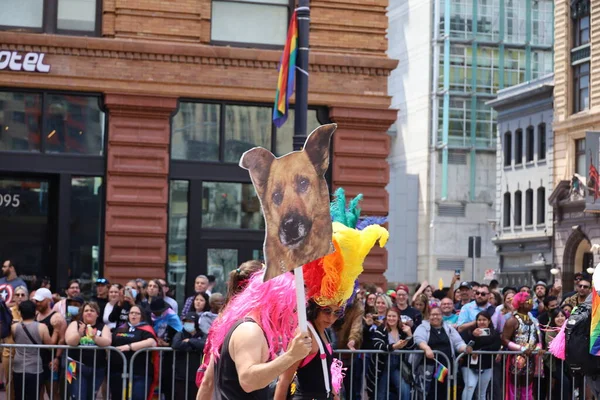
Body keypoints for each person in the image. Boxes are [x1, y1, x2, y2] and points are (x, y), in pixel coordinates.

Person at [197, 272, 312, 400]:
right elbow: (248, 381)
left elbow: (208, 382)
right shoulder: (250, 330)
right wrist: (292, 355)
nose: (293, 316)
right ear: (277, 302)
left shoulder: (249, 327)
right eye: (293, 308)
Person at [275, 300, 342, 400]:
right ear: (315, 308)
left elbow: (325, 374)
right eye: (327, 310)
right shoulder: (305, 333)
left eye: (337, 313)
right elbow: (284, 379)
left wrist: (335, 396)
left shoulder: (324, 330)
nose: (331, 317)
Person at [412, 306, 467, 400]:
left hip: (446, 367)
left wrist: (466, 348)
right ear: (429, 316)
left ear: (442, 316)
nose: (435, 317)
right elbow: (418, 339)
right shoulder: (423, 327)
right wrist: (426, 348)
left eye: (437, 314)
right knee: (430, 392)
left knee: (445, 392)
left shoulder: (448, 328)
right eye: (432, 314)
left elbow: (458, 342)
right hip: (430, 366)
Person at [64, 301, 112, 399]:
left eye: (92, 310)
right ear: (82, 313)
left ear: (97, 314)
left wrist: (94, 337)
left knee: (90, 396)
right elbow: (69, 341)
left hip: (97, 368)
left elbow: (107, 342)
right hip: (73, 365)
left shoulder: (102, 327)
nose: (89, 312)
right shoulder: (75, 324)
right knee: (76, 395)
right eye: (86, 311)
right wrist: (79, 334)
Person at [110, 305, 158, 400]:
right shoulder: (120, 328)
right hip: (118, 371)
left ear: (142, 316)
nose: (134, 315)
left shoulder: (146, 329)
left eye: (137, 313)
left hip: (139, 373)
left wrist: (129, 347)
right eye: (131, 313)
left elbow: (152, 342)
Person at [11, 300, 57, 400]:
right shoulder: (42, 327)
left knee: (19, 396)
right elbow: (50, 346)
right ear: (35, 311)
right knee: (33, 396)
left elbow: (15, 340)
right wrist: (56, 332)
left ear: (20, 312)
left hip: (18, 367)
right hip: (35, 368)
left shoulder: (14, 327)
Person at [501, 291, 543, 399]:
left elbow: (537, 338)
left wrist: (538, 348)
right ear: (521, 303)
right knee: (513, 386)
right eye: (529, 301)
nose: (532, 303)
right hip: (515, 358)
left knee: (528, 386)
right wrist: (521, 348)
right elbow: (504, 339)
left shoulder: (533, 320)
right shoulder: (512, 320)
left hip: (530, 358)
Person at [365, 306, 413, 400]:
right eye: (389, 316)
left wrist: (409, 334)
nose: (391, 318)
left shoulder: (401, 330)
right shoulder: (381, 328)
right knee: (381, 394)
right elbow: (377, 344)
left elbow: (410, 347)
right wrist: (394, 346)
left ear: (398, 318)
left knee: (405, 390)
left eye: (394, 316)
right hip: (383, 364)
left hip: (397, 365)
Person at [33, 287, 67, 399]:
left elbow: (62, 340)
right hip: (37, 360)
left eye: (40, 301)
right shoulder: (36, 315)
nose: (37, 303)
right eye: (36, 300)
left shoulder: (57, 317)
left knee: (52, 393)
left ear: (48, 300)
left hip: (50, 361)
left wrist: (57, 358)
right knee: (38, 393)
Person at [461, 311, 501, 400]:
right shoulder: (469, 332)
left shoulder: (494, 334)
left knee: (482, 392)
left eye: (484, 320)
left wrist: (480, 351)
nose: (481, 322)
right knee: (470, 386)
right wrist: (473, 336)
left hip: (486, 366)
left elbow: (495, 346)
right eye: (479, 320)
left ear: (489, 321)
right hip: (469, 365)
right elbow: (465, 345)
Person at [172, 312, 206, 400]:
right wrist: (194, 348)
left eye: (190, 321)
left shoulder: (202, 334)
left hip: (196, 374)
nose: (188, 323)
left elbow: (204, 345)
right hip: (181, 374)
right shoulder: (180, 334)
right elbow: (176, 344)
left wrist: (190, 341)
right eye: (186, 321)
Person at [2, 285, 27, 400]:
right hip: (9, 352)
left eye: (23, 295)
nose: (20, 297)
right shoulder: (8, 312)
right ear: (14, 298)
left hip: (27, 354)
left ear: (27, 297)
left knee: (25, 383)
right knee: (9, 383)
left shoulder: (32, 312)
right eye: (17, 295)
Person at [544, 309, 571, 399]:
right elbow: (553, 347)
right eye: (557, 316)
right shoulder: (550, 331)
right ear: (553, 319)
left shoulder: (569, 329)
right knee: (564, 382)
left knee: (566, 383)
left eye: (562, 316)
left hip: (567, 363)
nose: (560, 318)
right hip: (554, 363)